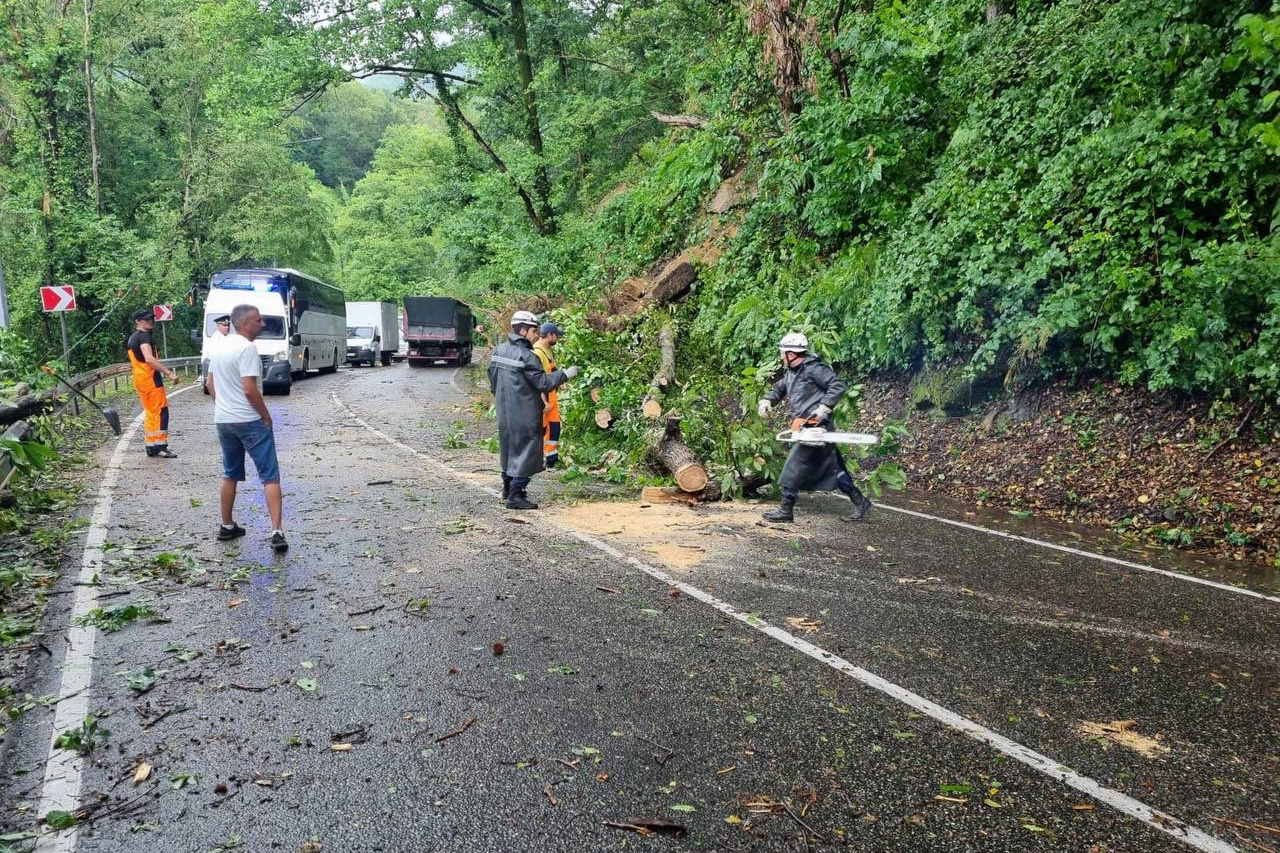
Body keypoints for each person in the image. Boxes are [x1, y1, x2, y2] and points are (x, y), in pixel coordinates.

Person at [757, 332, 871, 523]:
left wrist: (825, 406)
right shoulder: (792, 373)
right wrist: (767, 400)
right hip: (804, 427)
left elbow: (837, 385)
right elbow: (779, 388)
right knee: (835, 469)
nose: (780, 356)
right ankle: (860, 501)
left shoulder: (814, 369)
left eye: (782, 353)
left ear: (791, 354)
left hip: (817, 428)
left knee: (793, 466)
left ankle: (786, 509)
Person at [207, 304, 288, 553]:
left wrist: (223, 405)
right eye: (258, 320)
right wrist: (266, 416)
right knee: (270, 475)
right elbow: (250, 389)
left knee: (230, 472)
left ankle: (227, 525)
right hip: (249, 420)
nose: (262, 324)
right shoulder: (247, 348)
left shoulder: (219, 346)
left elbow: (210, 383)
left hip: (224, 420)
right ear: (244, 324)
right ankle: (276, 531)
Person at [489, 310, 579, 510]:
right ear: (522, 330)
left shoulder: (498, 350)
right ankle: (516, 494)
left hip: (504, 411)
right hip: (525, 412)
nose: (535, 334)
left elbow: (492, 381)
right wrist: (566, 374)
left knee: (509, 448)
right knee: (529, 450)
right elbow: (543, 382)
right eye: (532, 330)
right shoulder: (527, 356)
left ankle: (507, 488)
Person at [127, 308, 179, 458]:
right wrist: (168, 373)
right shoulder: (144, 337)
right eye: (146, 319)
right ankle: (161, 446)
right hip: (150, 379)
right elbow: (149, 358)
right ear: (138, 321)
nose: (150, 321)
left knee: (150, 412)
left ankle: (151, 446)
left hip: (140, 379)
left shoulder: (133, 338)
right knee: (161, 411)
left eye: (151, 319)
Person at [533, 321, 564, 468]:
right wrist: (543, 401)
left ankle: (551, 458)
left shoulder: (547, 350)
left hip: (551, 396)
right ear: (549, 335)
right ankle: (539, 458)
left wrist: (560, 381)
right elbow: (538, 380)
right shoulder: (538, 352)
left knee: (554, 427)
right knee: (543, 429)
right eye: (556, 335)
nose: (557, 338)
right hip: (545, 397)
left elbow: (552, 371)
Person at [201, 314, 232, 395]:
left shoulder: (226, 337)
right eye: (224, 325)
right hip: (219, 370)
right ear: (218, 325)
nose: (227, 327)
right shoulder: (216, 339)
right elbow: (215, 357)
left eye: (228, 325)